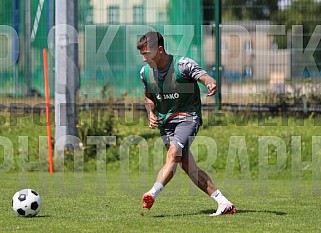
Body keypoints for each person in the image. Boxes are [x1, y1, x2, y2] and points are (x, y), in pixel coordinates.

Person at [137, 31, 236, 216]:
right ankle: (224, 203)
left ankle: (152, 194)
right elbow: (148, 98)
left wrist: (210, 83)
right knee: (188, 166)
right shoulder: (145, 73)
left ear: (159, 50)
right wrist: (150, 112)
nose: (143, 59)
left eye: (146, 54)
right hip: (166, 123)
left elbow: (204, 76)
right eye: (141, 55)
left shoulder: (183, 64)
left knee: (173, 155)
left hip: (188, 117)